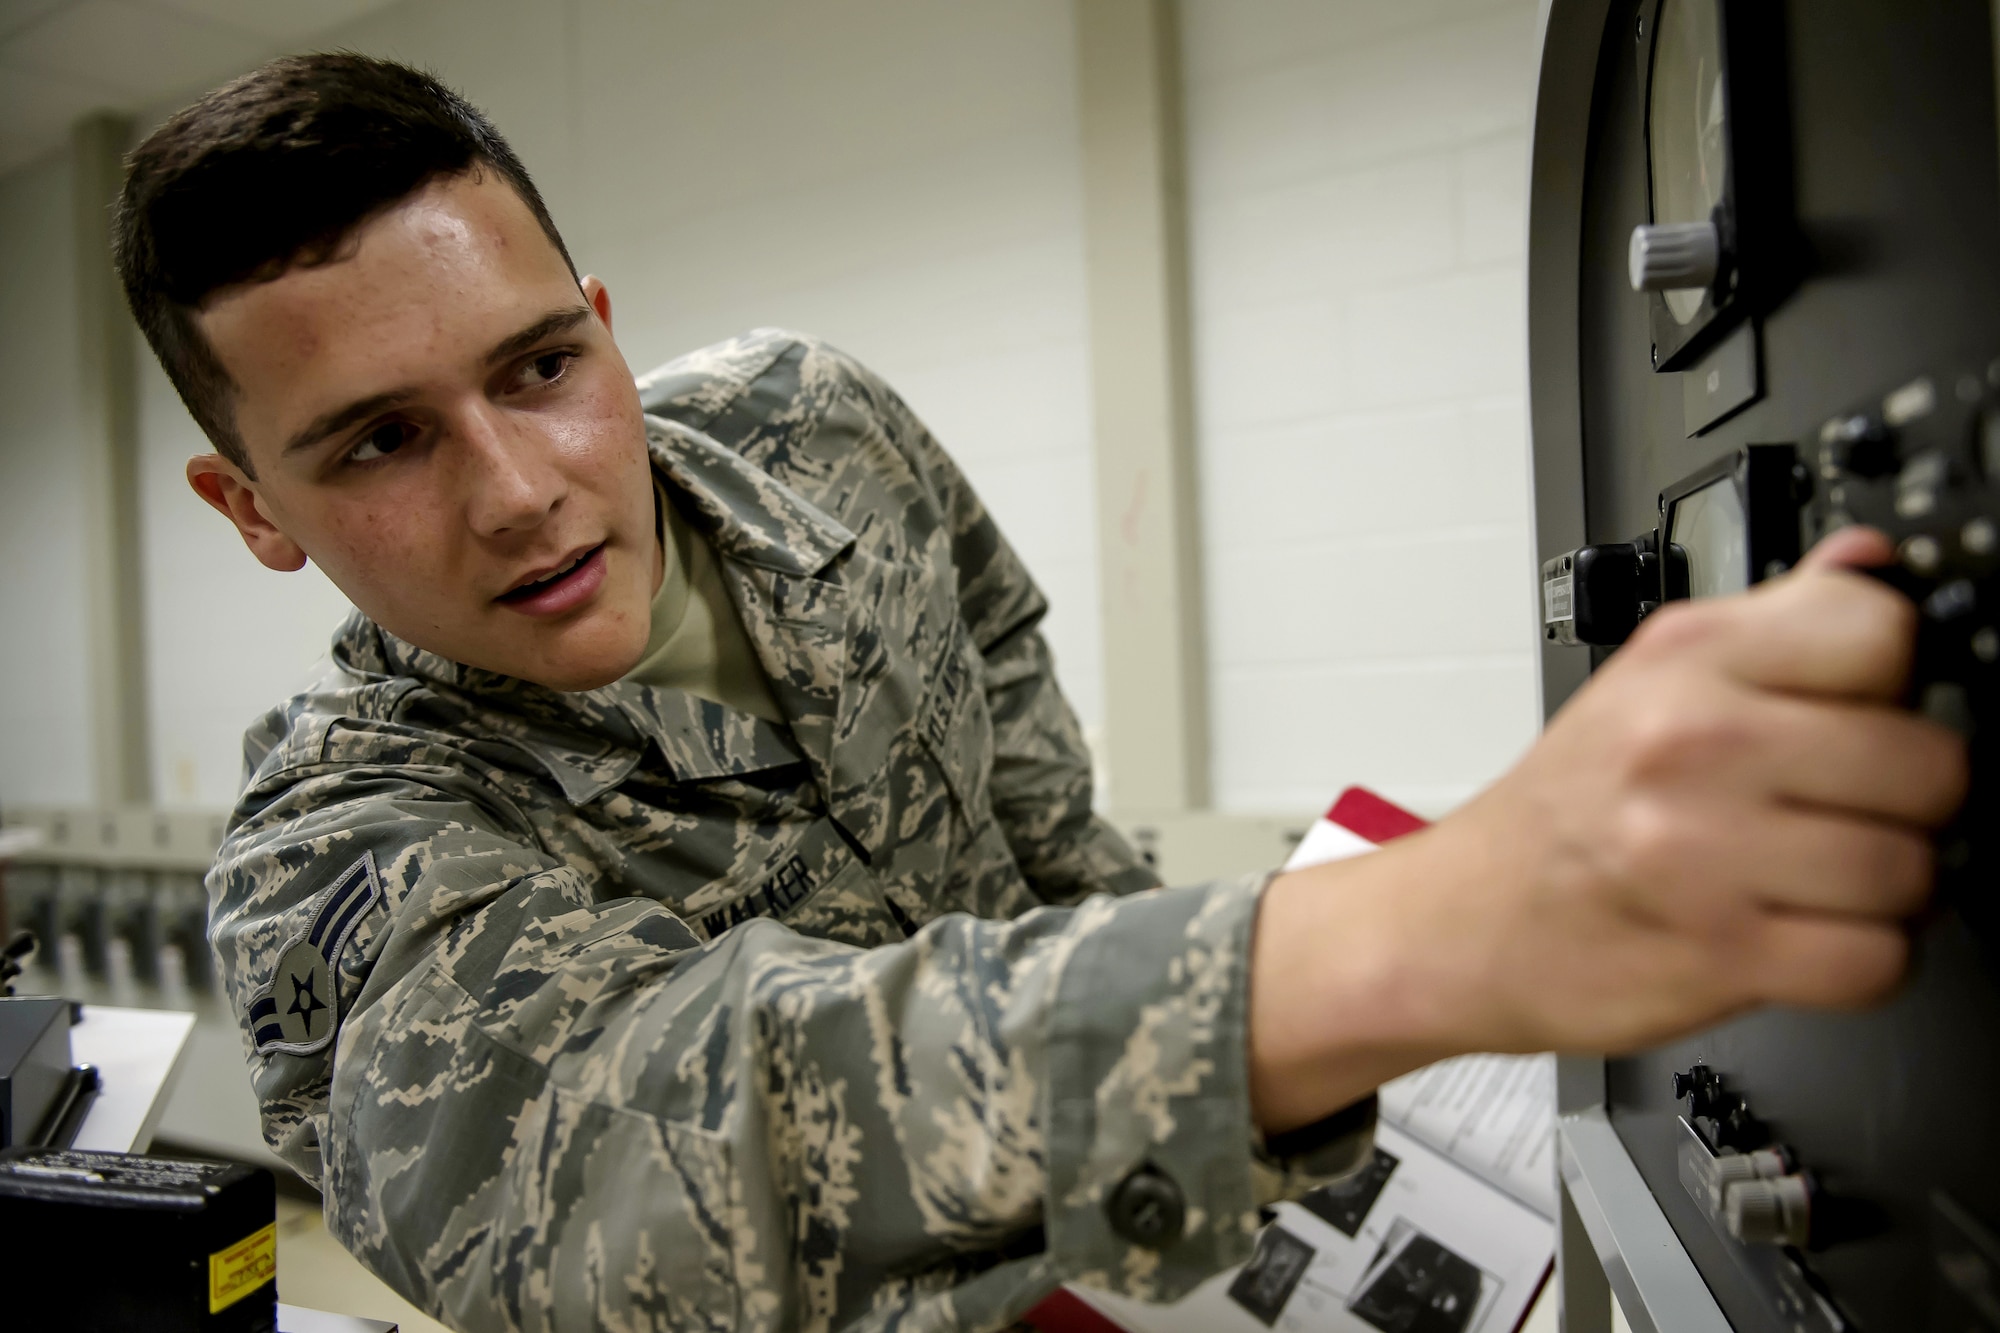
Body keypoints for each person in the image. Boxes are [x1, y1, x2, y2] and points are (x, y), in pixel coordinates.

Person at [116, 53, 1963, 1333]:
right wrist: (1398, 940)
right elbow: (639, 1155)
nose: (518, 487)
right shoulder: (340, 847)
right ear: (252, 509)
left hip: (1170, 1238)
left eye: (539, 365)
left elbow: (1007, 705)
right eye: (377, 443)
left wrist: (1173, 975)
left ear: (602, 316)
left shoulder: (803, 424)